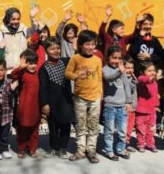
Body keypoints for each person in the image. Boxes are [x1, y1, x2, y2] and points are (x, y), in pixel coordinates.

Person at [65, 30, 102, 163]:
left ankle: (91, 150)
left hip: (95, 98)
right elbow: (67, 73)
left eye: (93, 44)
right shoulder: (75, 58)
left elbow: (99, 79)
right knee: (81, 125)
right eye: (87, 44)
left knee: (93, 125)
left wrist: (100, 94)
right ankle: (80, 150)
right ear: (80, 45)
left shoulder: (97, 60)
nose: (90, 47)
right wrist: (76, 76)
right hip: (80, 97)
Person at [39, 37, 74, 159]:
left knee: (66, 125)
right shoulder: (44, 68)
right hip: (52, 102)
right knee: (53, 127)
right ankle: (54, 147)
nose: (55, 51)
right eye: (52, 48)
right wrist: (45, 104)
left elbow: (78, 60)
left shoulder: (66, 61)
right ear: (46, 50)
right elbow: (43, 88)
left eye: (57, 48)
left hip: (66, 101)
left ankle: (63, 147)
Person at [102, 46, 132, 161]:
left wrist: (128, 102)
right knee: (109, 130)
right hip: (110, 105)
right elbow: (109, 78)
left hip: (122, 106)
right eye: (114, 58)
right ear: (107, 58)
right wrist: (119, 71)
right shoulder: (105, 69)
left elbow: (127, 86)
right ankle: (109, 150)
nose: (117, 60)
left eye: (119, 58)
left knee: (122, 130)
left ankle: (120, 149)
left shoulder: (122, 70)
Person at [11, 49, 41, 158]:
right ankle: (21, 149)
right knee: (22, 130)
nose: (32, 66)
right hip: (24, 108)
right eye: (29, 63)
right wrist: (21, 67)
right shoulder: (22, 73)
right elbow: (13, 74)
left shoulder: (38, 73)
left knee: (34, 130)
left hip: (36, 107)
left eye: (34, 63)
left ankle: (32, 149)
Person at [135, 62, 159, 153]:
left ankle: (150, 144)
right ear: (142, 72)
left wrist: (156, 106)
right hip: (141, 111)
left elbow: (155, 95)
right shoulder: (141, 80)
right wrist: (149, 79)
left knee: (151, 129)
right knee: (141, 129)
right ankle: (141, 144)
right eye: (149, 71)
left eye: (153, 70)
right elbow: (143, 79)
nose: (152, 72)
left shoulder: (155, 83)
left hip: (152, 111)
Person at [0, 7, 29, 74]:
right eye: (13, 19)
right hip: (8, 72)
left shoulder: (23, 29)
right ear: (8, 19)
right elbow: (0, 56)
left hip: (23, 69)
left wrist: (32, 19)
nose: (16, 21)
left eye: (18, 19)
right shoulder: (2, 32)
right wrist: (1, 49)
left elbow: (33, 35)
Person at [123, 55, 138, 152]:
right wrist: (134, 82)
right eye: (127, 68)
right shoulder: (123, 79)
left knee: (130, 127)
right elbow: (129, 88)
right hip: (125, 107)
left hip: (133, 107)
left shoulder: (133, 78)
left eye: (131, 68)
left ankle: (127, 142)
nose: (130, 70)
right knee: (124, 127)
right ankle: (122, 144)